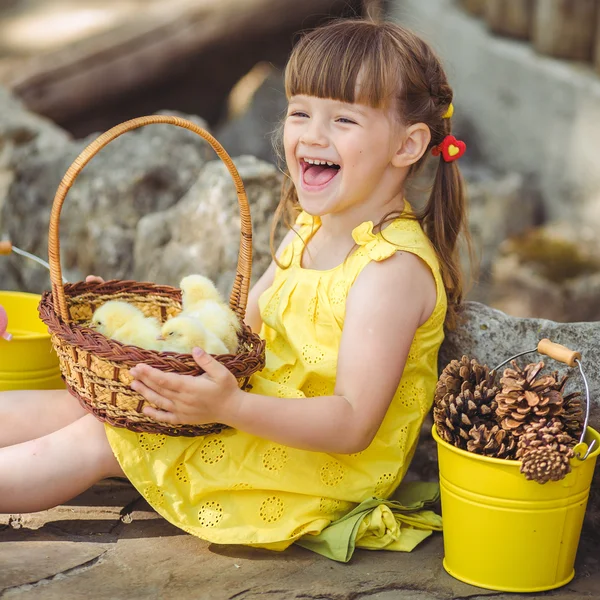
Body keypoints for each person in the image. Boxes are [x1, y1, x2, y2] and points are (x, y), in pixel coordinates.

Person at [0, 18, 471, 553]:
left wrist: (229, 409)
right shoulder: (310, 227)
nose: (312, 134)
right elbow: (236, 332)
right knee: (98, 402)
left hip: (317, 467)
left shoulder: (390, 270)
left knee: (107, 435)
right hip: (251, 410)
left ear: (408, 145)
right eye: (300, 113)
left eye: (343, 119)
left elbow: (350, 425)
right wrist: (144, 338)